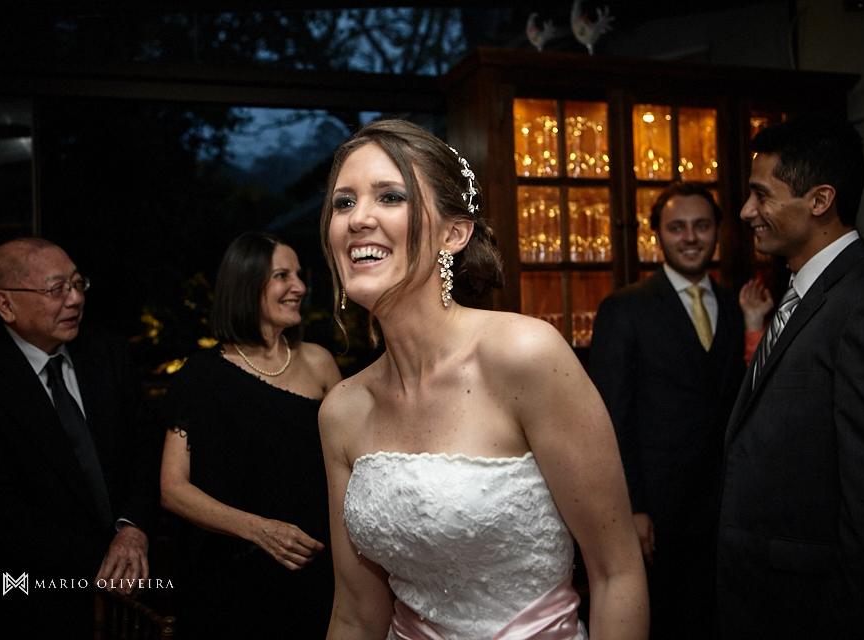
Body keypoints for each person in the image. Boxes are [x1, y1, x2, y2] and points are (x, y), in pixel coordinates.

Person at [318, 119, 648, 640]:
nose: (358, 219)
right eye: (343, 202)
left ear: (454, 233)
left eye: (390, 196)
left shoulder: (525, 356)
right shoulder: (342, 410)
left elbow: (616, 573)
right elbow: (356, 613)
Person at [0, 237, 159, 639]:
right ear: (6, 305)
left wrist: (133, 529)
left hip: (134, 587)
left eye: (78, 284)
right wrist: (105, 558)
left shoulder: (108, 352)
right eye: (56, 289)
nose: (75, 299)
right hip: (28, 597)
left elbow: (146, 447)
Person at [718, 114, 864, 639]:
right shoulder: (801, 294)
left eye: (762, 196)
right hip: (764, 597)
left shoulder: (862, 306)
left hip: (813, 610)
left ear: (820, 200)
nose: (746, 212)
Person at [159, 231, 341, 639]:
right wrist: (259, 530)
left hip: (317, 570)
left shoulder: (320, 362)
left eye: (298, 274)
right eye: (282, 276)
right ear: (246, 285)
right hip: (234, 578)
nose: (298, 286)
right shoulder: (201, 377)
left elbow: (350, 460)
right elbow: (172, 488)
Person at [588, 183, 744, 640]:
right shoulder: (624, 307)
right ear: (657, 235)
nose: (691, 237)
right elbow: (611, 418)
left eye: (702, 226)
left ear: (717, 232)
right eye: (677, 228)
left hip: (723, 512)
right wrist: (631, 508)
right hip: (656, 515)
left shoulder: (734, 308)